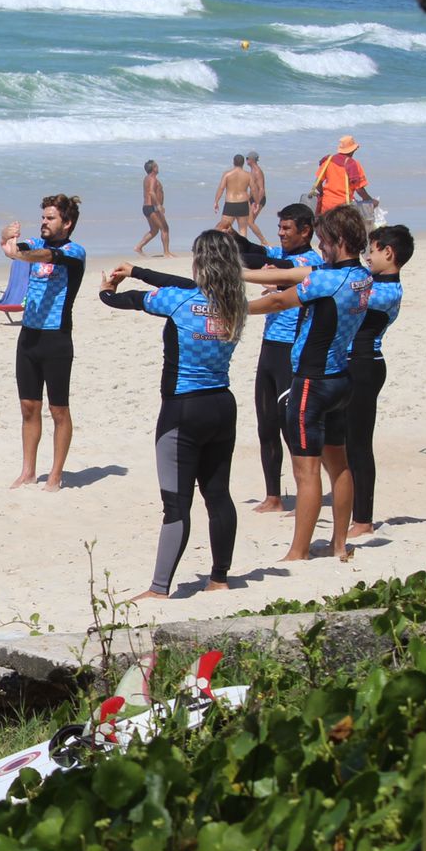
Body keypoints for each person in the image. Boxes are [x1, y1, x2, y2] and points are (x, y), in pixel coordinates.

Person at [99, 230, 247, 599]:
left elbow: (129, 301)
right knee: (218, 495)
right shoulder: (235, 304)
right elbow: (182, 285)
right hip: (221, 405)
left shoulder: (178, 301)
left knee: (176, 503)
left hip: (183, 410)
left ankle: (159, 588)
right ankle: (219, 578)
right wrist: (136, 269)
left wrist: (106, 293)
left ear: (199, 263)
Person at [245, 205, 374, 562]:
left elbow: (277, 301)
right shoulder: (362, 277)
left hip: (311, 383)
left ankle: (298, 551)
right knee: (340, 465)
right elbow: (301, 271)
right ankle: (338, 544)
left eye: (326, 240)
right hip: (339, 379)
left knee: (306, 471)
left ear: (340, 240)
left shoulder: (325, 281)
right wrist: (243, 273)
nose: (322, 246)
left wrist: (234, 309)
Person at [235, 203, 325, 513]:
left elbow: (266, 261)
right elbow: (253, 251)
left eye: (287, 228)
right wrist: (227, 237)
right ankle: (273, 496)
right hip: (269, 348)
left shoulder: (310, 262)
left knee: (291, 428)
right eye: (280, 227)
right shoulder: (282, 255)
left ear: (305, 231)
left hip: (291, 350)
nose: (281, 233)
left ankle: (306, 491)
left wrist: (263, 268)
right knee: (266, 425)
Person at [0, 194, 86, 490]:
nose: (44, 222)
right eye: (43, 218)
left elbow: (46, 257)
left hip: (57, 338)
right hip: (29, 337)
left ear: (67, 222)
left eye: (50, 218)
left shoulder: (75, 252)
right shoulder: (35, 245)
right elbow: (15, 249)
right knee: (28, 407)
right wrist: (6, 238)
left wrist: (17, 254)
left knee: (58, 409)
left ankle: (56, 473)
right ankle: (27, 471)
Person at [346, 224, 413, 537]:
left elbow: (349, 293)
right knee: (344, 443)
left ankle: (363, 519)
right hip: (351, 364)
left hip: (365, 367)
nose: (367, 257)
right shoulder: (372, 281)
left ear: (389, 253)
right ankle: (352, 512)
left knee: (358, 444)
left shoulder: (386, 291)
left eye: (371, 251)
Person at [312, 135, 377, 216]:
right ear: (353, 149)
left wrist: (322, 193)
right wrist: (370, 201)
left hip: (326, 206)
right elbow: (359, 190)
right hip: (343, 209)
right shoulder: (353, 164)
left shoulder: (328, 160)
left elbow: (317, 183)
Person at [136, 160, 172, 257]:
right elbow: (151, 192)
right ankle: (166, 252)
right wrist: (159, 205)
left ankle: (138, 247)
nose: (158, 167)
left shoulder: (147, 178)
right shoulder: (152, 179)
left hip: (147, 207)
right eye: (156, 166)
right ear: (153, 168)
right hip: (152, 207)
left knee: (154, 230)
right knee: (165, 228)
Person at [213, 154, 254, 236]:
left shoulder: (227, 174)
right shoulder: (248, 175)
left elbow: (221, 188)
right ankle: (243, 248)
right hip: (243, 204)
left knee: (223, 228)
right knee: (243, 229)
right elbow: (253, 189)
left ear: (233, 162)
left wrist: (216, 201)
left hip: (230, 204)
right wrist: (254, 202)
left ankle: (222, 247)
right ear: (243, 163)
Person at [245, 151, 268, 243]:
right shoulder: (252, 170)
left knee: (250, 222)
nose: (246, 160)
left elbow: (261, 189)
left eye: (247, 158)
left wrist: (257, 203)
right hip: (254, 199)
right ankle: (262, 241)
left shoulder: (257, 171)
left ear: (251, 159)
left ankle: (264, 241)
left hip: (258, 199)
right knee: (249, 222)